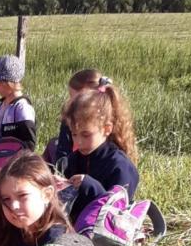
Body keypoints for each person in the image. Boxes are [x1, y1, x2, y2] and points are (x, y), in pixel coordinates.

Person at [60, 82, 139, 224]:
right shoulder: (74, 159)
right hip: (76, 229)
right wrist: (60, 186)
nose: (78, 142)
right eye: (74, 134)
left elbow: (116, 215)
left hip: (105, 233)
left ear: (107, 129)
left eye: (86, 135)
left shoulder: (120, 167)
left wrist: (90, 186)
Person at [44, 67, 110, 169]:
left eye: (75, 97)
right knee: (53, 144)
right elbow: (63, 150)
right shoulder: (69, 118)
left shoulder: (107, 120)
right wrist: (62, 167)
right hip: (72, 166)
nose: (70, 102)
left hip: (93, 168)